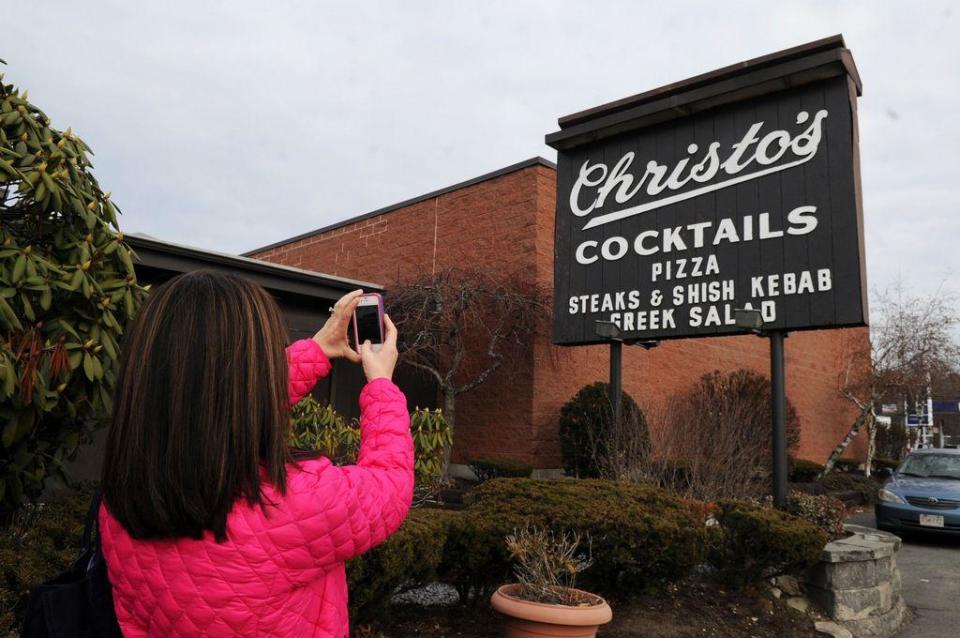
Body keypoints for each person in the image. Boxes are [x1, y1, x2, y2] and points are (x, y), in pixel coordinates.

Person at [98, 271, 413, 637]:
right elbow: (390, 482)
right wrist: (381, 385)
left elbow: (218, 410)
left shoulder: (122, 498)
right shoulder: (292, 503)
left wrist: (316, 350)